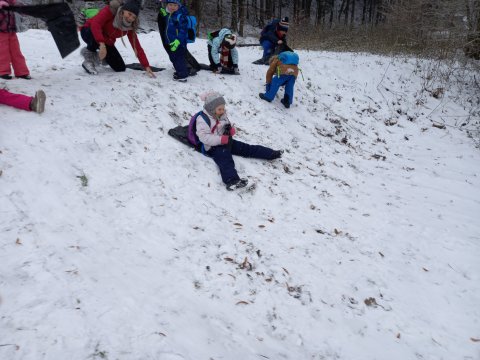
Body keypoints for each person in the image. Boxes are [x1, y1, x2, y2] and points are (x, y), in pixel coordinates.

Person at [195, 91, 282, 190]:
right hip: (212, 147)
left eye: (223, 108)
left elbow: (227, 125)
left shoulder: (222, 115)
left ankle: (270, 153)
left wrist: (231, 130)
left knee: (246, 148)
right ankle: (232, 181)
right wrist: (221, 139)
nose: (222, 111)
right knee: (225, 159)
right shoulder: (202, 119)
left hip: (226, 141)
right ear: (211, 108)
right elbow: (204, 137)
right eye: (219, 109)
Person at [79, 0, 155, 77]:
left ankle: (101, 56)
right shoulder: (111, 10)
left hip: (107, 41)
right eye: (129, 14)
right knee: (93, 34)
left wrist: (146, 66)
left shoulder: (130, 27)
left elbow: (137, 47)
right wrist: (102, 45)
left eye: (134, 17)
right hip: (88, 30)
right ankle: (89, 60)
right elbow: (96, 24)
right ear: (123, 10)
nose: (130, 18)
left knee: (120, 67)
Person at [157, 0, 199, 78]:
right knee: (174, 58)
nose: (172, 7)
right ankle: (182, 71)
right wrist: (164, 15)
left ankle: (182, 75)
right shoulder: (170, 14)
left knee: (178, 59)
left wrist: (177, 41)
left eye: (175, 5)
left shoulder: (180, 16)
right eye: (170, 5)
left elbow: (183, 30)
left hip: (179, 43)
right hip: (171, 42)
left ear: (178, 6)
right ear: (167, 5)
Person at [0, 0, 31, 80]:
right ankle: (3, 72)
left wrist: (19, 6)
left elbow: (22, 14)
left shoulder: (12, 3)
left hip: (11, 31)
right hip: (1, 32)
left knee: (16, 52)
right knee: (3, 52)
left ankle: (21, 72)